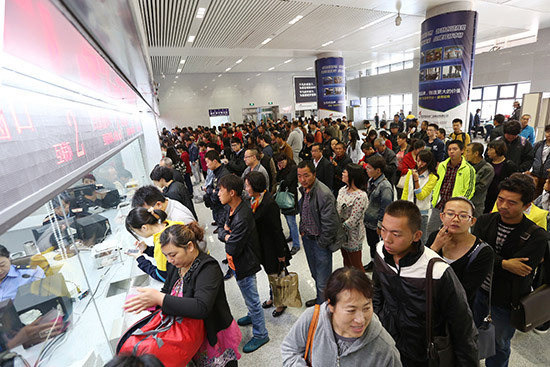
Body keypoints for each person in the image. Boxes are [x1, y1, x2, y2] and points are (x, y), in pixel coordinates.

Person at [374, 201, 479, 366]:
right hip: (388, 343)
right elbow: (377, 290)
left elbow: (462, 328)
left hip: (422, 354)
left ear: (416, 236)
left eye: (396, 234)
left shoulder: (438, 271)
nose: (387, 239)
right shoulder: (381, 250)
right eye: (383, 229)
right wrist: (379, 318)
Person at [123, 223, 241, 366]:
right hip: (190, 335)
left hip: (211, 332)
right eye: (166, 255)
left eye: (173, 255)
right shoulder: (176, 265)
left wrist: (160, 298)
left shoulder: (208, 268)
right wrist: (149, 301)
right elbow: (167, 291)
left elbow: (201, 307)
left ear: (190, 246)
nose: (169, 260)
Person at [472, 173, 548, 367]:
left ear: (527, 205)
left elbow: (521, 270)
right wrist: (505, 263)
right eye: (500, 199)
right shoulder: (484, 221)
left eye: (512, 202)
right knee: (470, 334)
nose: (503, 206)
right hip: (477, 292)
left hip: (506, 301)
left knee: (499, 344)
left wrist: (489, 259)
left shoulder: (537, 235)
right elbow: (473, 255)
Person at [281, 267, 402, 367]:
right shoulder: (313, 318)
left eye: (366, 308)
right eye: (351, 310)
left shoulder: (384, 348)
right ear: (331, 306)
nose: (360, 320)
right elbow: (289, 349)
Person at [216, 174, 269, 353]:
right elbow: (222, 231)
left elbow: (233, 247)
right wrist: (226, 234)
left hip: (244, 263)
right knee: (248, 296)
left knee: (253, 299)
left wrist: (226, 235)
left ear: (232, 193)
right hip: (237, 263)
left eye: (221, 190)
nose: (217, 193)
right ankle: (252, 316)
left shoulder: (243, 216)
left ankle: (261, 334)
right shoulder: (232, 209)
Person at [425, 197, 494, 308]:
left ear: (472, 221)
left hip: (457, 312)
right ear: (442, 217)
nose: (455, 219)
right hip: (427, 306)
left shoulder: (483, 252)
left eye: (463, 216)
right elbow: (419, 272)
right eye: (450, 214)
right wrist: (434, 248)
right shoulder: (435, 237)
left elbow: (465, 292)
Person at [244, 172, 291, 318]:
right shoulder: (254, 200)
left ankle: (281, 302)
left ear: (255, 186)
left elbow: (277, 230)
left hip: (272, 248)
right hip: (262, 246)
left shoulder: (269, 204)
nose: (246, 188)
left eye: (247, 185)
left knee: (276, 275)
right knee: (270, 274)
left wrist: (281, 253)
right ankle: (273, 297)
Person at [297, 160, 340, 307]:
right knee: (315, 274)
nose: (302, 180)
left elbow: (330, 225)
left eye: (306, 175)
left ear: (314, 174)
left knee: (323, 281)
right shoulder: (304, 190)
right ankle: (320, 300)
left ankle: (323, 312)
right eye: (299, 176)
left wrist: (322, 243)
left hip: (320, 242)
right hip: (308, 239)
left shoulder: (324, 194)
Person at [427, 140, 476, 235]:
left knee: (452, 232)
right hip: (439, 204)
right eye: (449, 149)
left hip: (455, 208)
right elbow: (437, 183)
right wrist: (434, 197)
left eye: (455, 149)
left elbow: (469, 190)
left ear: (462, 151)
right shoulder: (442, 165)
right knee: (430, 230)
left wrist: (460, 203)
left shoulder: (468, 169)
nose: (451, 152)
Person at [125, 207, 182, 282]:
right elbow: (166, 256)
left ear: (144, 228)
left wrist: (140, 259)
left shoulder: (161, 242)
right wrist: (147, 249)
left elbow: (163, 277)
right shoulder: (169, 224)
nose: (137, 234)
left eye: (135, 232)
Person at [401, 149, 439, 244]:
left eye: (422, 161)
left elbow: (421, 196)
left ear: (428, 162)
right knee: (407, 237)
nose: (419, 164)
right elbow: (405, 192)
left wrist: (416, 181)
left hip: (421, 213)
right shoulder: (411, 173)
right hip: (408, 211)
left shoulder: (432, 177)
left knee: (420, 240)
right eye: (418, 160)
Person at [363, 156, 394, 272]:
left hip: (377, 222)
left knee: (379, 245)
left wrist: (380, 225)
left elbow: (386, 208)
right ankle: (373, 262)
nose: (367, 169)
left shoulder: (385, 186)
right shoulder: (371, 181)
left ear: (378, 170)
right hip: (369, 220)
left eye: (369, 168)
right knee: (371, 244)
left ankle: (381, 266)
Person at [337, 164, 369, 271]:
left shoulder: (361, 196)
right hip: (342, 234)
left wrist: (337, 229)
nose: (342, 173)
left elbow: (353, 220)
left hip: (353, 235)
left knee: (356, 265)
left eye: (345, 172)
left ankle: (362, 286)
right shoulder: (342, 190)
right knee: (346, 261)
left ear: (352, 176)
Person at [131, 185, 196, 229]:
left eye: (148, 212)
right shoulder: (166, 204)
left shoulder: (180, 218)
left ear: (159, 204)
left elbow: (200, 244)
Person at [275, 153, 301, 255]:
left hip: (291, 197)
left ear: (287, 159)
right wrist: (279, 170)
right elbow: (278, 180)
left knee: (292, 221)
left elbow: (287, 182)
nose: (281, 164)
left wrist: (282, 176)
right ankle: (291, 235)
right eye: (279, 162)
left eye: (282, 161)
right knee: (287, 219)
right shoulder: (282, 169)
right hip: (284, 198)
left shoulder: (293, 168)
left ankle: (296, 244)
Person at [484, 140, 518, 213]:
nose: (488, 152)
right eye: (488, 149)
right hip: (486, 194)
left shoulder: (509, 165)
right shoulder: (487, 162)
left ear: (498, 150)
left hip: (498, 195)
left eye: (491, 149)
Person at [465, 142, 495, 217]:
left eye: (468, 151)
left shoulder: (487, 169)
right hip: (462, 202)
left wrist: (464, 190)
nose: (466, 154)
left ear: (476, 153)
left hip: (476, 204)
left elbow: (481, 187)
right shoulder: (465, 165)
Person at [204, 151, 231, 231]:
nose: (206, 165)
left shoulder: (223, 174)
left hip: (221, 204)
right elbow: (210, 186)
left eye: (208, 162)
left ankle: (221, 225)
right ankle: (218, 222)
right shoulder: (216, 172)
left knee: (221, 216)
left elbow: (218, 193)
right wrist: (211, 190)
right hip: (215, 203)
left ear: (215, 161)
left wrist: (212, 191)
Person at [530, 124, 550, 198]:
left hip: (548, 177)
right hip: (536, 174)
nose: (549, 134)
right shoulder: (538, 145)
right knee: (533, 196)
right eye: (548, 132)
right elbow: (531, 157)